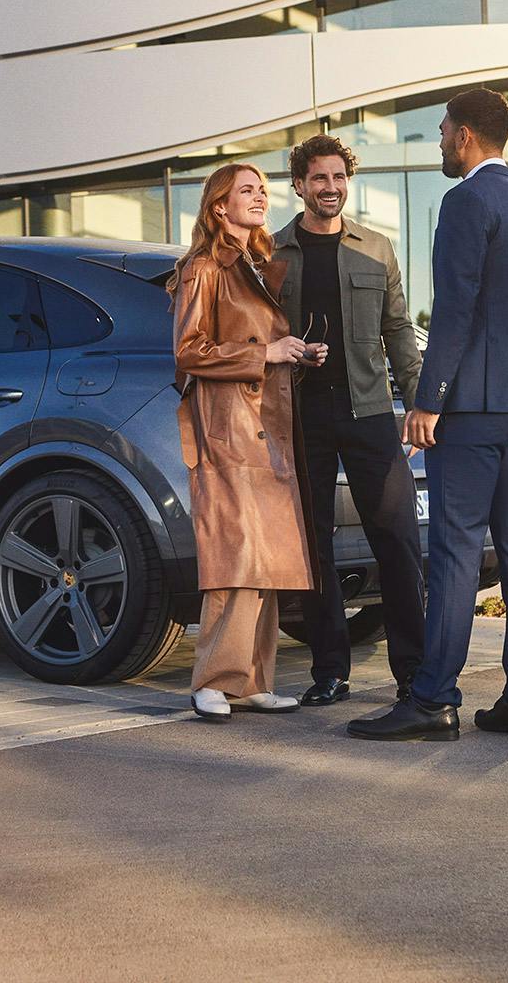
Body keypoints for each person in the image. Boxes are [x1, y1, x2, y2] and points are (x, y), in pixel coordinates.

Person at [348, 88, 508, 742]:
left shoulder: (466, 200)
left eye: (442, 131)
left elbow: (457, 307)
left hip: (469, 409)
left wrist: (428, 399)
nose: (439, 141)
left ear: (466, 136)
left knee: (454, 552)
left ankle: (434, 698)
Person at [270, 136, 425, 707]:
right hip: (301, 415)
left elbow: (399, 332)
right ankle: (329, 671)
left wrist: (419, 401)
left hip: (369, 415)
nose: (330, 188)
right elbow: (257, 333)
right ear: (300, 184)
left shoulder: (377, 249)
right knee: (315, 547)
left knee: (398, 539)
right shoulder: (273, 253)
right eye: (319, 179)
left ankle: (413, 671)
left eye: (338, 177)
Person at [171, 163, 328, 722]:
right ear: (219, 207)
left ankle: (252, 679)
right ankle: (212, 680)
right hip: (226, 427)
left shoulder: (257, 266)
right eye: (247, 190)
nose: (260, 197)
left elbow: (263, 342)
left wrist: (296, 352)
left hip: (267, 424)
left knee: (266, 556)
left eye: (263, 189)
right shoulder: (203, 268)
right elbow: (189, 351)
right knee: (234, 555)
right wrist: (266, 353)